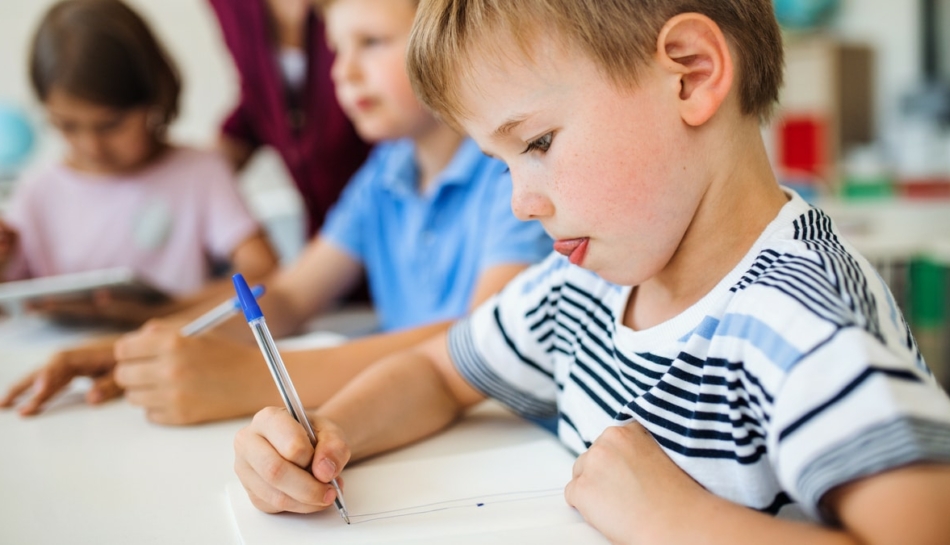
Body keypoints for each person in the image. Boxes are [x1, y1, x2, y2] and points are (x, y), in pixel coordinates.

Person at [232, 0, 950, 542]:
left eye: (538, 141)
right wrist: (325, 435)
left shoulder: (806, 324)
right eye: (501, 163)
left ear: (690, 75)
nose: (520, 201)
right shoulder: (587, 281)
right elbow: (440, 372)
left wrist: (679, 521)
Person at [1, 0, 551, 426]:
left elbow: (480, 340)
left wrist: (248, 380)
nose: (344, 72)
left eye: (372, 43)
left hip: (494, 432)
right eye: (338, 48)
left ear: (445, 45)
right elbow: (285, 297)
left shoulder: (505, 174)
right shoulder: (383, 175)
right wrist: (128, 350)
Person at [0, 0, 277, 326]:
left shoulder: (199, 173)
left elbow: (264, 271)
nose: (92, 145)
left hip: (172, 354)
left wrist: (165, 309)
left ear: (153, 99)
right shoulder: (36, 193)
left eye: (110, 125)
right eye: (67, 125)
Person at [207, 0, 370, 236]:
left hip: (382, 201)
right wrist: (201, 171)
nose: (342, 72)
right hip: (325, 227)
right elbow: (258, 97)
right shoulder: (229, 5)